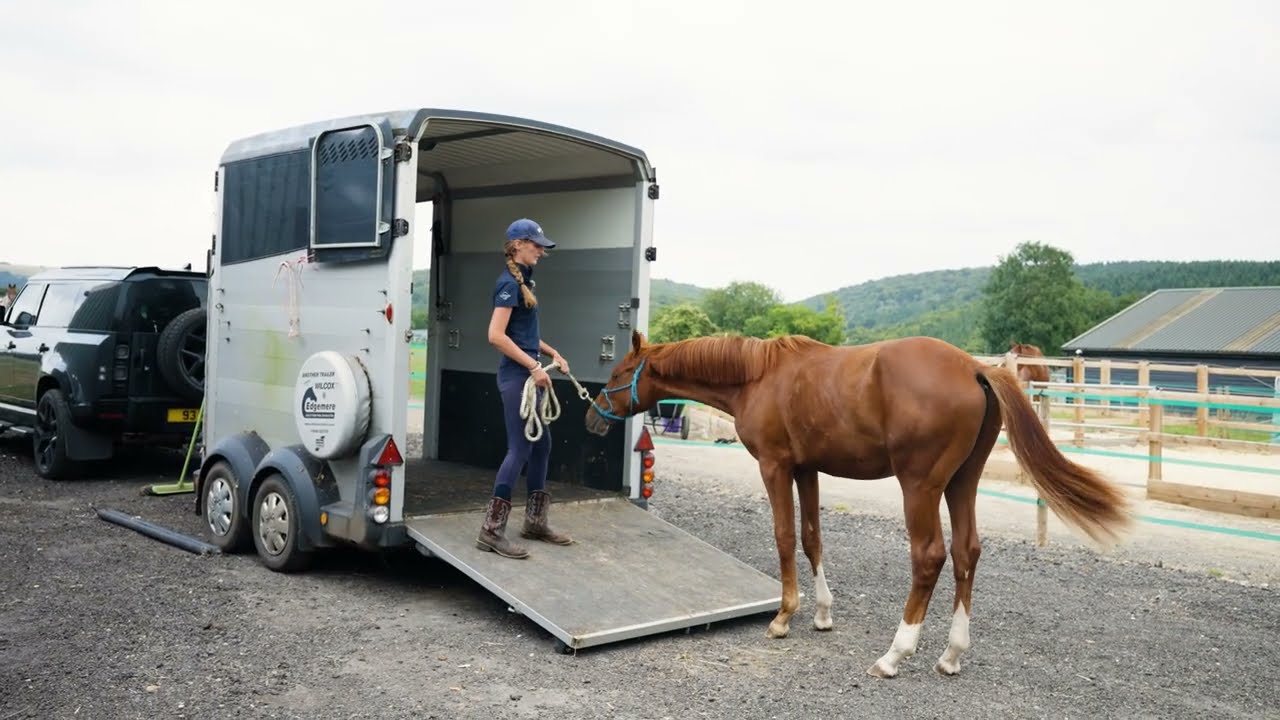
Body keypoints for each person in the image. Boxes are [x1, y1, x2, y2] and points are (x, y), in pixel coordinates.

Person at [476, 218, 575, 559]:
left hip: (529, 375)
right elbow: (496, 335)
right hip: (517, 377)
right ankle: (491, 531)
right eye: (536, 245)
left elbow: (525, 335)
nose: (541, 251)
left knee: (542, 444)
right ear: (517, 244)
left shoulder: (526, 281)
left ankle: (535, 522)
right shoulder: (508, 284)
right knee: (519, 449)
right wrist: (533, 367)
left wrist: (551, 353)